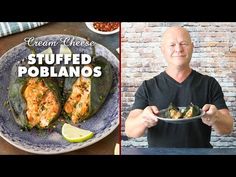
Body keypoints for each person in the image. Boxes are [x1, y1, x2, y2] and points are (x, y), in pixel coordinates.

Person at [125, 26, 234, 148]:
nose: (178, 49)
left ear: (192, 47)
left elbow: (227, 128)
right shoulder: (148, 86)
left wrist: (216, 117)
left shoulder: (209, 83)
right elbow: (130, 130)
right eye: (172, 45)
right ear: (162, 50)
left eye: (184, 43)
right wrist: (143, 119)